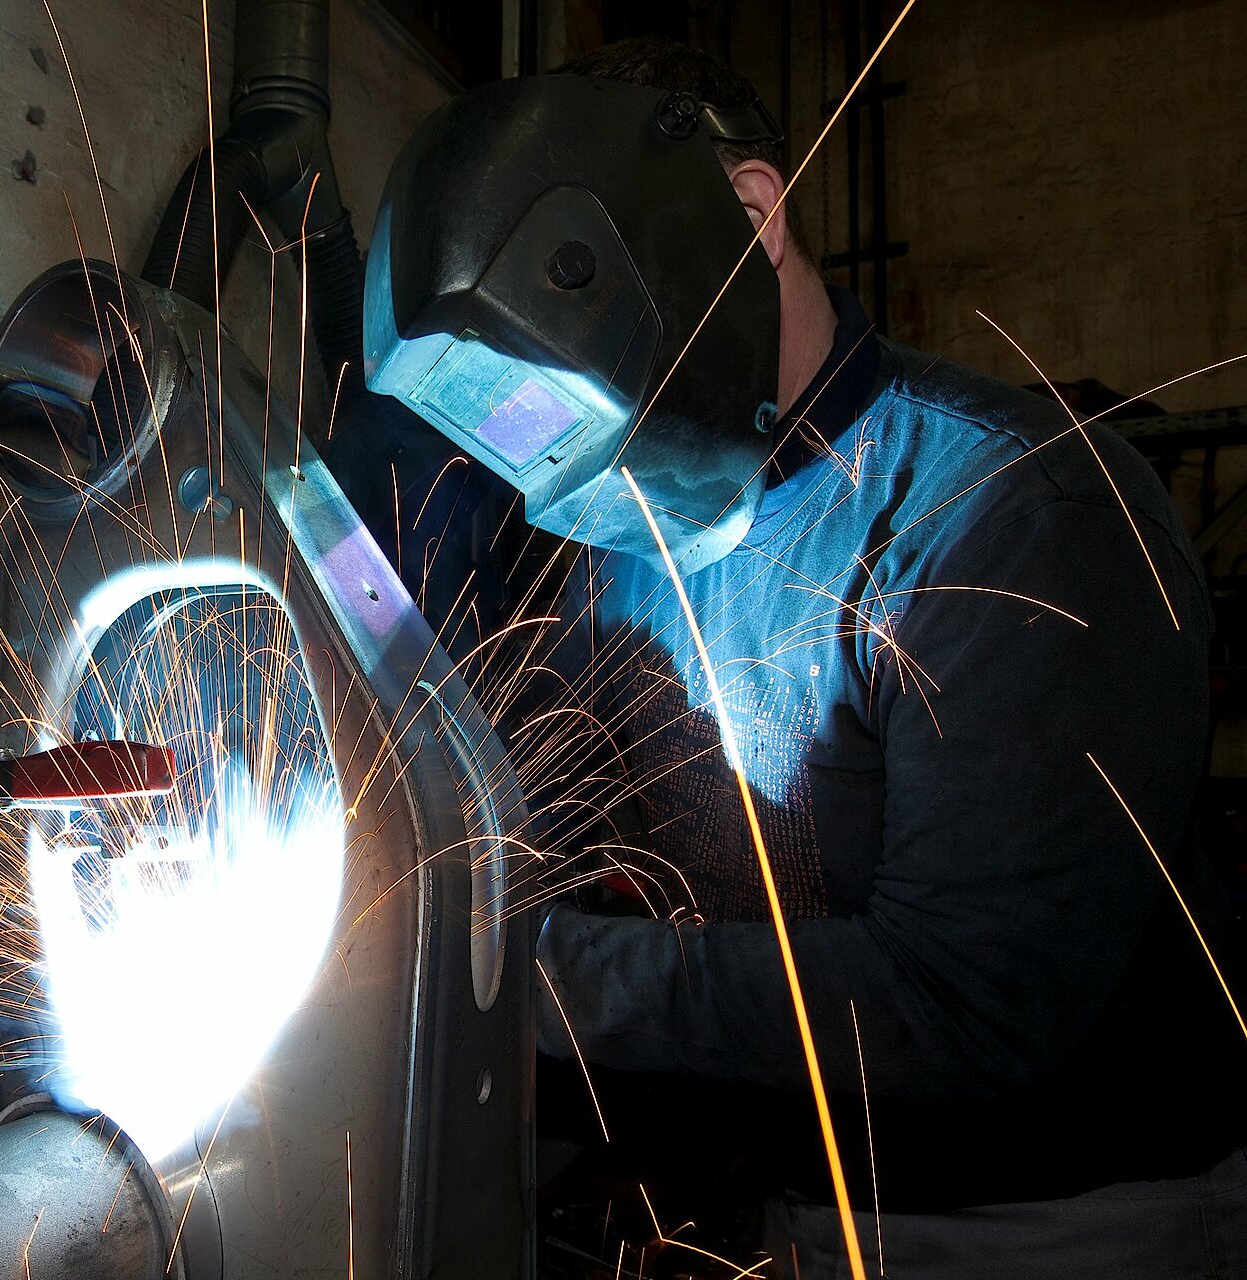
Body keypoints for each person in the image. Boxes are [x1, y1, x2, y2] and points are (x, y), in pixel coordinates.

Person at [355, 36, 1247, 1279]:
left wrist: (512, 970)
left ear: (748, 212)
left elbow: (963, 1000)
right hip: (799, 1210)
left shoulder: (1016, 512)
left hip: (1061, 1220)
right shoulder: (633, 541)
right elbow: (538, 805)